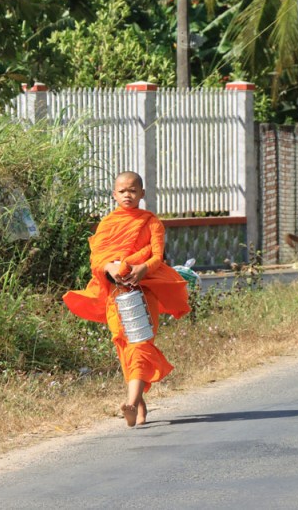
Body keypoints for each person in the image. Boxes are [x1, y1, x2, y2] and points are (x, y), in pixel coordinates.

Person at [63, 171, 190, 427]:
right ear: (114, 195)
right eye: (122, 191)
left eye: (132, 190)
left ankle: (130, 403)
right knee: (123, 344)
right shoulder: (107, 224)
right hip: (115, 294)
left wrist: (142, 268)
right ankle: (140, 406)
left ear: (142, 193)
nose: (127, 195)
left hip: (144, 291)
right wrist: (110, 268)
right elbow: (97, 259)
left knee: (140, 342)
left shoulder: (151, 222)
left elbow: (157, 256)